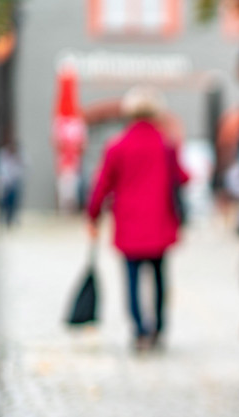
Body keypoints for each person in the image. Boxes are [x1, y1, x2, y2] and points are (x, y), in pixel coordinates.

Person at [87, 87, 188, 351]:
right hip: (160, 221)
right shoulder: (166, 144)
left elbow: (103, 183)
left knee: (131, 279)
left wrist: (93, 214)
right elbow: (183, 177)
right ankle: (158, 329)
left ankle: (139, 330)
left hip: (129, 222)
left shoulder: (117, 145)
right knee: (158, 278)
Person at [0, 141, 24, 227]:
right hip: (5, 183)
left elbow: (24, 167)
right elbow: (1, 169)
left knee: (13, 203)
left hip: (14, 183)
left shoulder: (19, 155)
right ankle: (2, 219)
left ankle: (10, 219)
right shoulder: (3, 154)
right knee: (4, 202)